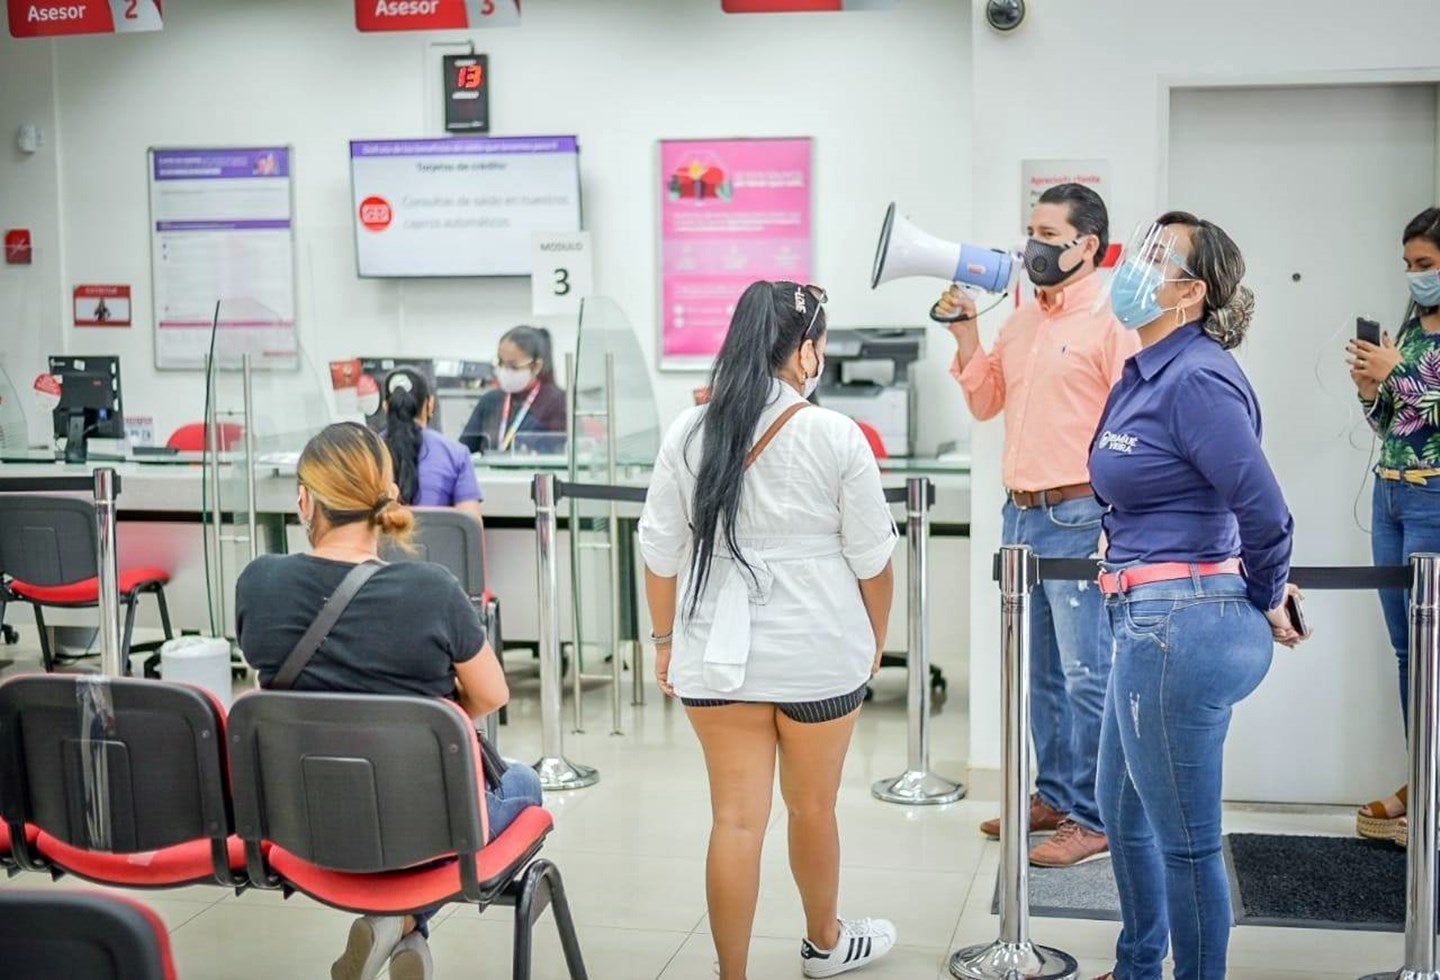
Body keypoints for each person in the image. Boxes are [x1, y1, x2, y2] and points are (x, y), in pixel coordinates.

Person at [639, 281, 900, 980]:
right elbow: (874, 561)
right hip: (820, 650)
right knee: (813, 808)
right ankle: (823, 944)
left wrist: (664, 644)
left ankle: (732, 974)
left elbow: (659, 553)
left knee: (735, 821)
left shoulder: (688, 431)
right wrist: (874, 639)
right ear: (807, 351)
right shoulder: (835, 435)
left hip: (714, 655)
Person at [234, 422, 542, 980]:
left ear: (305, 500)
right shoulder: (431, 589)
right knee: (524, 783)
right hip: (424, 825)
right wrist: (420, 728)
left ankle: (399, 929)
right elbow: (493, 694)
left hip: (305, 820)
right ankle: (400, 920)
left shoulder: (259, 583)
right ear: (385, 498)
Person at [1090, 212, 1304, 980]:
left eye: (1158, 256)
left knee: (1185, 841)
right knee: (1119, 807)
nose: (1138, 265)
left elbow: (1265, 510)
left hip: (1180, 627)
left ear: (1192, 291)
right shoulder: (1144, 371)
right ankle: (1140, 964)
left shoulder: (1198, 377)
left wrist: (1268, 590)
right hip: (1147, 621)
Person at [936, 183, 1138, 867]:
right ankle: (1052, 796)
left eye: (1049, 233)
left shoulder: (1113, 321)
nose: (1034, 246)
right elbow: (988, 402)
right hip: (1019, 514)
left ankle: (1093, 817)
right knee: (1043, 671)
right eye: (1031, 230)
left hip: (1083, 512)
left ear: (1087, 245)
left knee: (1089, 673)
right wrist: (967, 333)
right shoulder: (1022, 318)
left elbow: (1133, 429)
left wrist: (1120, 521)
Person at [1347, 206, 1440, 848]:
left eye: (1426, 265)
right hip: (1391, 496)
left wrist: (1397, 375)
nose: (1415, 278)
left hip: (1435, 498)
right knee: (1409, 653)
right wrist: (1370, 389)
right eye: (1409, 266)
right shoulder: (1409, 329)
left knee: (1434, 652)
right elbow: (1395, 426)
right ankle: (1424, 776)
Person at [380, 367, 483, 520]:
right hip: (440, 544)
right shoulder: (456, 453)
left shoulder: (366, 452)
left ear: (386, 407)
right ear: (430, 404)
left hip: (380, 544)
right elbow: (471, 528)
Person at [459, 325, 567, 454]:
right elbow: (463, 451)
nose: (504, 371)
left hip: (535, 473)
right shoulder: (490, 401)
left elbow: (559, 453)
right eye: (500, 363)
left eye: (513, 366)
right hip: (490, 473)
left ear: (536, 366)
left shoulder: (558, 402)